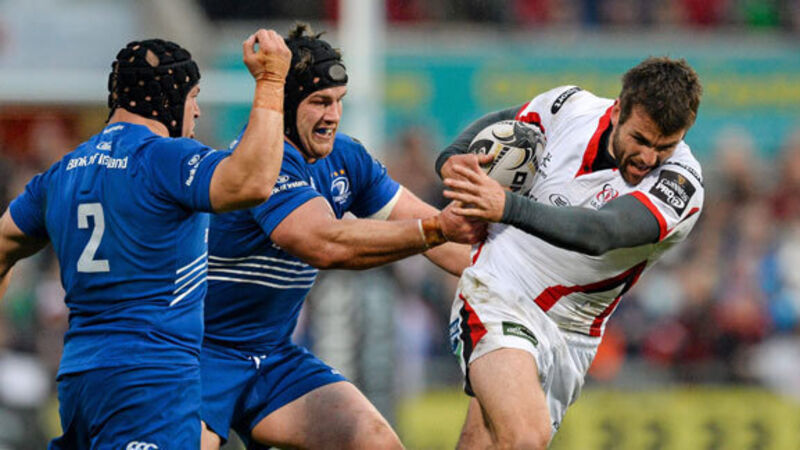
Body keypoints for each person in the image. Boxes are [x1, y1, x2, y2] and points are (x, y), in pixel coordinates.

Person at [0, 30, 290, 448]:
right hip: (150, 379)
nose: (197, 112)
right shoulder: (162, 158)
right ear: (169, 98)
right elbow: (253, 182)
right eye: (194, 98)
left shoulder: (61, 173)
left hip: (80, 379)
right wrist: (271, 82)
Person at [200, 23, 484, 450]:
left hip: (272, 359)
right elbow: (323, 242)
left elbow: (444, 236)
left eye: (338, 101)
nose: (333, 115)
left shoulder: (346, 158)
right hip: (201, 355)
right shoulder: (260, 160)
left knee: (377, 443)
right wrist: (435, 229)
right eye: (319, 102)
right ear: (287, 104)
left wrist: (528, 285)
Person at [438, 57, 704, 449]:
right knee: (525, 438)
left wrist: (505, 206)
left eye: (665, 146)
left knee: (485, 442)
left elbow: (603, 231)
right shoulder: (571, 107)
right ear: (617, 111)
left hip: (573, 333)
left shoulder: (681, 184)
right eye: (640, 140)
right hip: (499, 291)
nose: (649, 158)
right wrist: (450, 161)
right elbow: (504, 120)